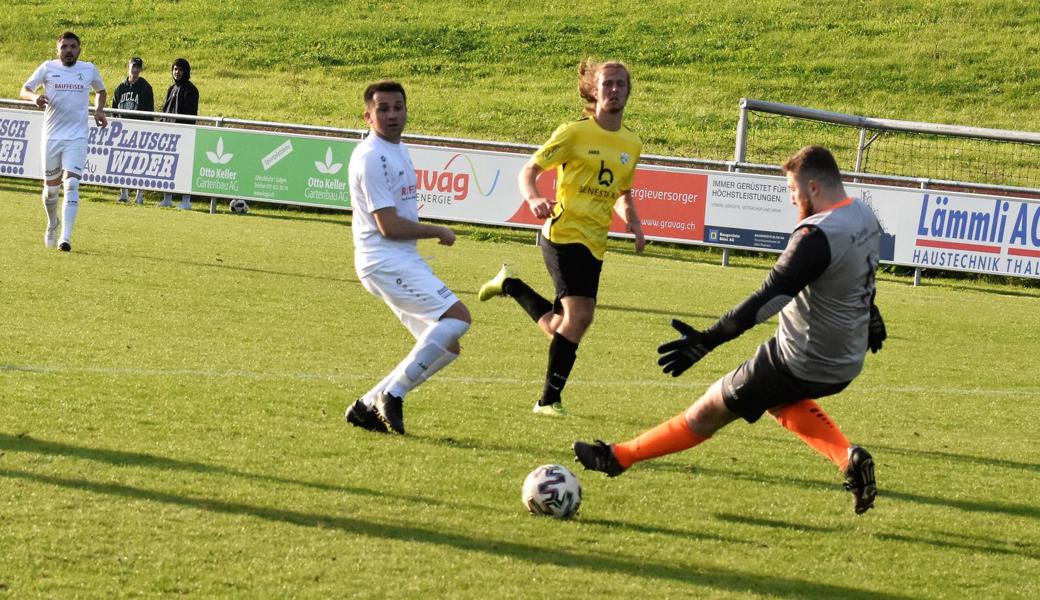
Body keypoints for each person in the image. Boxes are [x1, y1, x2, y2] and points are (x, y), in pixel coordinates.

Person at [573, 145, 886, 515]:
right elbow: (860, 275)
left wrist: (707, 340)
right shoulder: (863, 214)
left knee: (709, 410)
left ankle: (618, 458)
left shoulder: (815, 236)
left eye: (792, 191)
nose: (792, 199)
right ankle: (847, 457)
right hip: (846, 360)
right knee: (777, 400)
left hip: (801, 358)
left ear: (814, 187)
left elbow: (767, 299)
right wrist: (872, 315)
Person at [478, 58, 645, 417]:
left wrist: (633, 221)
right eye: (608, 84)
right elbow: (530, 170)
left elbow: (621, 191)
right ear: (594, 90)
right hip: (563, 233)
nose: (614, 90)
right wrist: (534, 196)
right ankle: (548, 401)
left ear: (629, 91)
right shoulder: (573, 132)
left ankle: (510, 285)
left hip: (595, 242)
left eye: (621, 84)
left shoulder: (631, 143)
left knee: (562, 326)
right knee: (580, 317)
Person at [343, 80, 472, 435]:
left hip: (399, 259)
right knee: (458, 317)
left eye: (398, 107)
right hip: (384, 259)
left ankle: (367, 406)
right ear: (368, 116)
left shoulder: (397, 148)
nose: (392, 114)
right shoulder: (371, 156)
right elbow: (387, 225)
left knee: (447, 345)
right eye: (383, 109)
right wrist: (437, 231)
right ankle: (394, 395)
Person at [20, 31, 107, 252]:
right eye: (64, 47)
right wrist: (35, 98)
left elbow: (101, 90)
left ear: (79, 49)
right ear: (57, 50)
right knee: (51, 190)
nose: (68, 50)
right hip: (51, 136)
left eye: (72, 46)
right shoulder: (48, 68)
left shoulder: (88, 69)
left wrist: (98, 110)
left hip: (76, 136)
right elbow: (25, 89)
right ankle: (52, 223)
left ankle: (65, 238)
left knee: (72, 184)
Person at [112, 56, 154, 204]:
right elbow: (114, 110)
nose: (135, 69)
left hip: (139, 130)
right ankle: (123, 193)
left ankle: (139, 196)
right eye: (133, 66)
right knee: (121, 162)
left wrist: (147, 129)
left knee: (140, 163)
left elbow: (150, 112)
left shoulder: (146, 88)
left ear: (141, 69)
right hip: (123, 131)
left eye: (138, 67)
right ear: (128, 66)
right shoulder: (120, 88)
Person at [158, 58, 198, 209]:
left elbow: (191, 116)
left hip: (183, 135)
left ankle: (186, 200)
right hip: (168, 135)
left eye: (180, 70)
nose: (177, 72)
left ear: (185, 71)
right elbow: (165, 111)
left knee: (184, 168)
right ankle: (167, 197)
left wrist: (184, 133)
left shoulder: (191, 90)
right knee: (169, 167)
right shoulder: (171, 89)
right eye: (175, 69)